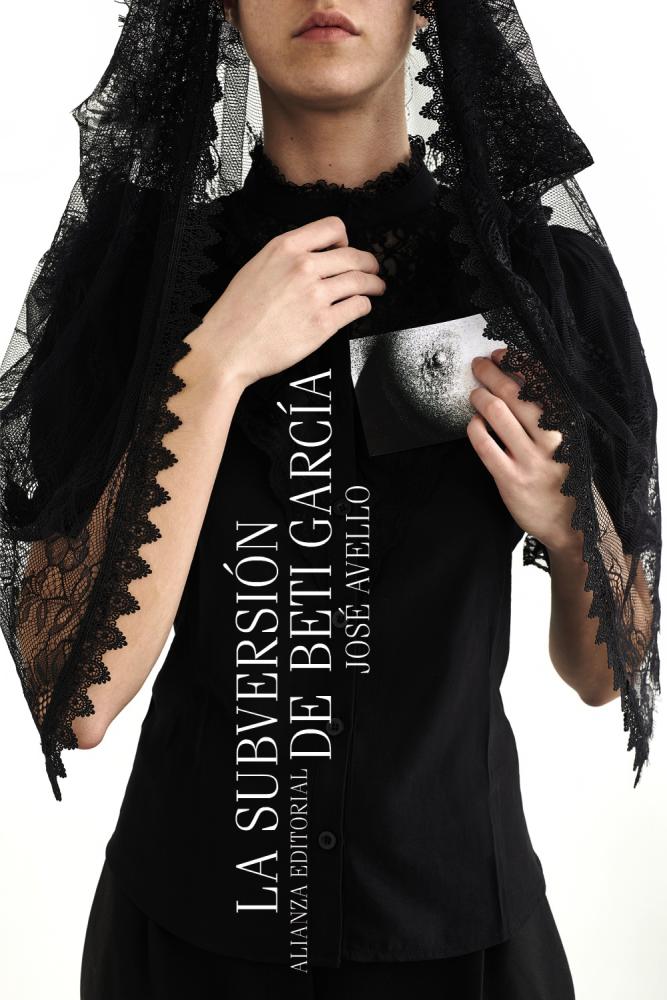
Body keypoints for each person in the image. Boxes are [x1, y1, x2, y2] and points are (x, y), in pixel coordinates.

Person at [0, 2, 659, 999]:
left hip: (460, 943)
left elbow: (609, 673)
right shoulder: (137, 277)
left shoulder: (535, 278)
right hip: (193, 942)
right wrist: (210, 369)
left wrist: (574, 532)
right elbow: (71, 696)